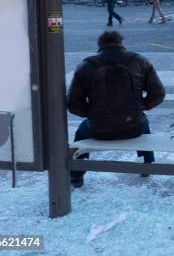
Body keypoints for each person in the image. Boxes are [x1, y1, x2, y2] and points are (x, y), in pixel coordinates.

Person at [67, 31, 166, 187]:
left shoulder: (86, 66)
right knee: (144, 124)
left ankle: (76, 175)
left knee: (81, 135)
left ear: (100, 46)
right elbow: (158, 93)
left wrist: (91, 114)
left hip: (98, 127)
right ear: (121, 43)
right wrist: (142, 107)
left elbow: (73, 103)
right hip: (133, 126)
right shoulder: (139, 61)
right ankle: (147, 165)